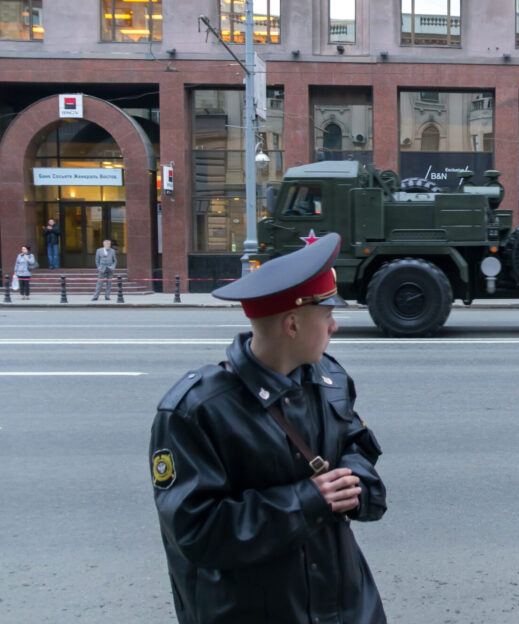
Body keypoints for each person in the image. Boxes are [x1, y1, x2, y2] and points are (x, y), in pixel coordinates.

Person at [150, 233, 387, 624]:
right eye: (326, 316)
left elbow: (356, 447)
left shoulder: (330, 378)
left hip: (348, 608)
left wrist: (353, 485)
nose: (335, 327)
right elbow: (196, 532)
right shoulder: (197, 411)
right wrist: (308, 500)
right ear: (292, 325)